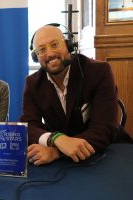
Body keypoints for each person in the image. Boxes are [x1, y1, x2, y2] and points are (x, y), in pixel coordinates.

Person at [20, 24, 132, 166]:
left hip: (106, 153)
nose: (50, 54)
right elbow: (28, 125)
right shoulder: (32, 83)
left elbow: (105, 128)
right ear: (36, 57)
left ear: (68, 45)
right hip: (61, 163)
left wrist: (57, 151)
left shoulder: (99, 72)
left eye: (55, 44)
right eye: (41, 50)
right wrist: (55, 139)